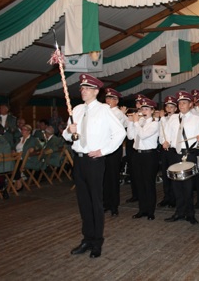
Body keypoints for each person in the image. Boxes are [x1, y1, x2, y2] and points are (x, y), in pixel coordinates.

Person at [64, 74, 126, 259]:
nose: (83, 91)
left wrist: (103, 150)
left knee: (96, 203)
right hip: (79, 160)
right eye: (82, 88)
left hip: (94, 161)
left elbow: (120, 133)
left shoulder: (104, 110)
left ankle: (97, 241)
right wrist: (69, 131)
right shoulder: (75, 109)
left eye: (87, 88)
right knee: (83, 202)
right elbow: (67, 136)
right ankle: (87, 239)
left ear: (96, 91)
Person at [163, 91, 199, 225]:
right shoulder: (173, 118)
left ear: (191, 104)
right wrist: (166, 141)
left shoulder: (196, 119)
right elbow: (167, 135)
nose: (181, 105)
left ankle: (190, 214)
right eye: (179, 103)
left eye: (184, 103)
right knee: (176, 185)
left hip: (189, 154)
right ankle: (179, 212)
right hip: (175, 154)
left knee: (188, 186)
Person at [127, 97, 160, 221]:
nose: (144, 111)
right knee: (139, 183)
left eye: (147, 109)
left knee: (148, 183)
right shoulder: (139, 122)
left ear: (152, 110)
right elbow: (130, 137)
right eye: (142, 108)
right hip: (137, 154)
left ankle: (150, 211)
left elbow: (143, 135)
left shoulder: (155, 123)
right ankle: (142, 209)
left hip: (149, 155)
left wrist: (135, 122)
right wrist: (131, 122)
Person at [103, 88, 128, 217]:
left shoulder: (118, 113)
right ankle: (106, 203)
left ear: (116, 101)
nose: (107, 101)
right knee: (104, 178)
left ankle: (114, 206)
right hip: (103, 148)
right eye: (106, 98)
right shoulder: (104, 111)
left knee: (112, 178)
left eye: (111, 99)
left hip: (113, 149)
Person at [157, 95, 178, 208]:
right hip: (163, 148)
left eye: (171, 107)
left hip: (172, 149)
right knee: (165, 174)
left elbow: (169, 131)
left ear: (175, 109)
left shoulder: (176, 118)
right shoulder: (163, 118)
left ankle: (173, 198)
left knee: (172, 174)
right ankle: (167, 197)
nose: (169, 109)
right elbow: (161, 133)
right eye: (167, 106)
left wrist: (162, 119)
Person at [124, 94, 146, 204]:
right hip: (131, 144)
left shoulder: (145, 117)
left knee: (142, 174)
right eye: (137, 103)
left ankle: (142, 195)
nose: (138, 105)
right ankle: (135, 194)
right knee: (132, 171)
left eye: (140, 103)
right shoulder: (134, 115)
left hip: (141, 145)